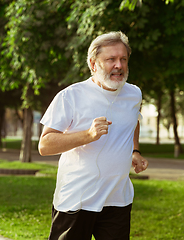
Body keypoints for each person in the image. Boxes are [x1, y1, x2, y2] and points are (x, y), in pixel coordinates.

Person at [38, 31, 149, 240]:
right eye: (111, 59)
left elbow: (133, 120)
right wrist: (88, 135)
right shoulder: (70, 96)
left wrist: (134, 151)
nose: (119, 65)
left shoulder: (134, 94)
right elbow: (45, 145)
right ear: (93, 63)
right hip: (77, 200)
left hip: (117, 199)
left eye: (123, 59)